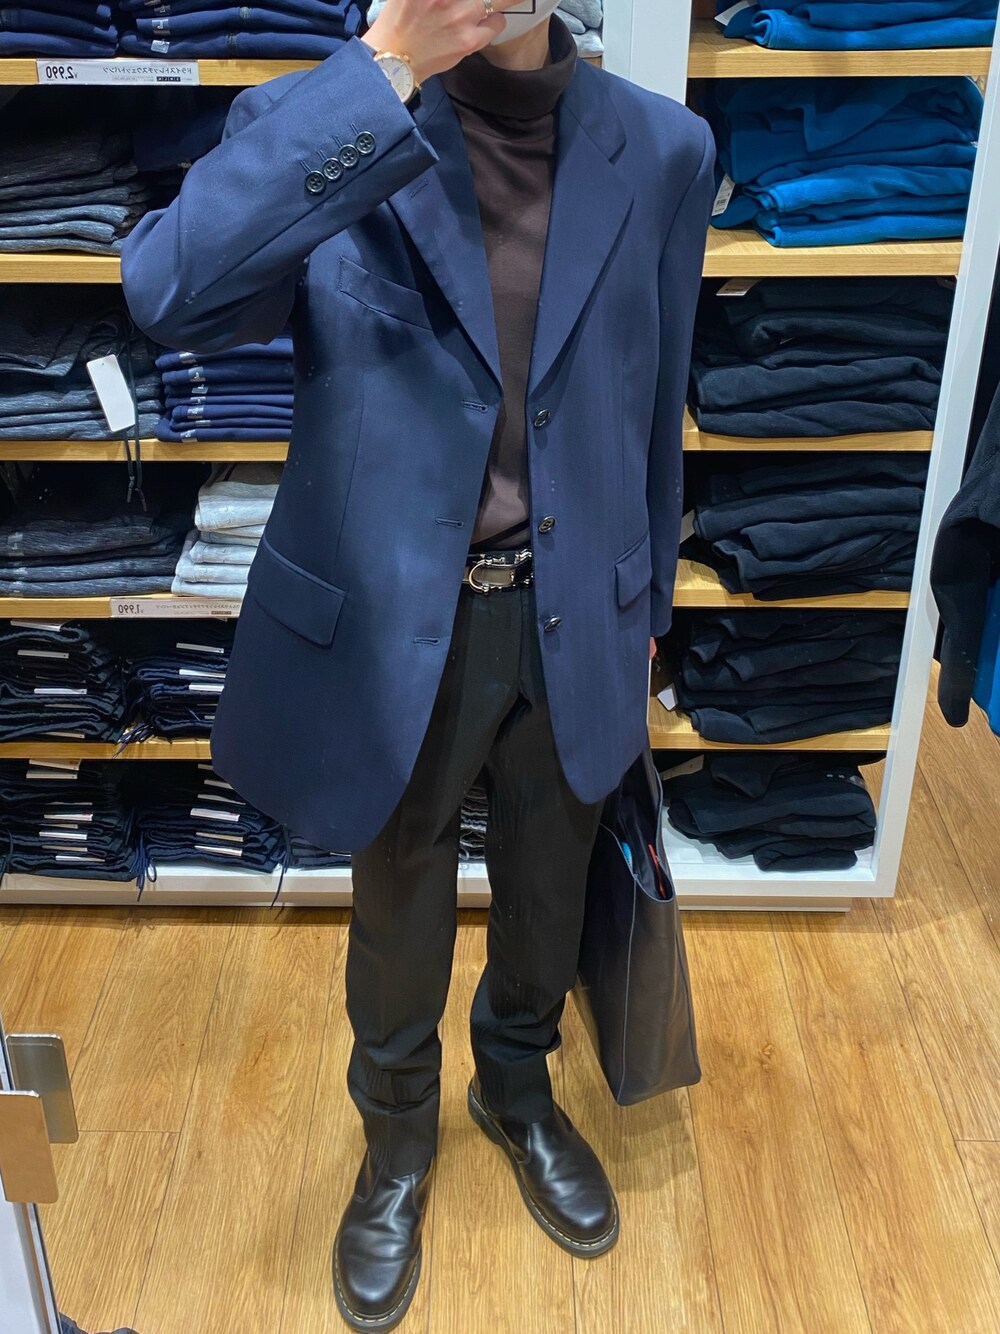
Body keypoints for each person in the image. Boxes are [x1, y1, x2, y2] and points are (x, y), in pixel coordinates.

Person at [121, 0, 715, 1328]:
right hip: (402, 624)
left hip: (579, 608)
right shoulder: (330, 122)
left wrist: (651, 595)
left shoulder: (665, 148)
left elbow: (654, 394)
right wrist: (386, 66)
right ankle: (395, 1139)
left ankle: (517, 1086)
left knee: (550, 888)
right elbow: (167, 289)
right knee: (399, 911)